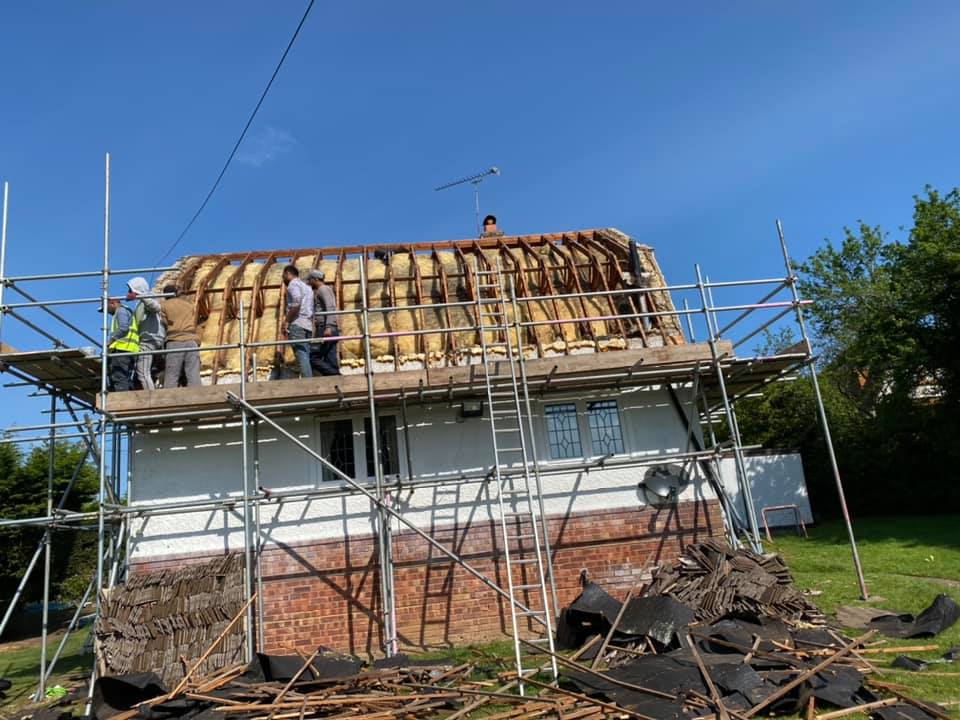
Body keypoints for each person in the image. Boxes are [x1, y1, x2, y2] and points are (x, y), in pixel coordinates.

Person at [126, 277, 165, 390]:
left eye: (130, 290)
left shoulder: (149, 297)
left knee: (143, 372)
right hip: (148, 339)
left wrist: (139, 296)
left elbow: (156, 307)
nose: (128, 293)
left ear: (137, 289)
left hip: (149, 340)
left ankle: (151, 398)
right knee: (145, 371)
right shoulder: (140, 304)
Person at [160, 284, 202, 387]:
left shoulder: (163, 305)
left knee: (172, 374)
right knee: (193, 373)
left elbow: (164, 323)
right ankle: (198, 397)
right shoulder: (188, 305)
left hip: (174, 341)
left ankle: (169, 400)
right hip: (191, 340)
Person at [281, 264, 313, 378]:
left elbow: (296, 303)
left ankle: (308, 385)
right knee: (305, 355)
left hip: (297, 324)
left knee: (301, 356)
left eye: (283, 276)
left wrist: (287, 321)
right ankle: (308, 380)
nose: (283, 279)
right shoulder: (307, 287)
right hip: (307, 325)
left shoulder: (293, 285)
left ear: (288, 273)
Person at [306, 269, 340, 376]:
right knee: (330, 358)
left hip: (325, 328)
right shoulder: (325, 289)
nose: (309, 282)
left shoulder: (323, 289)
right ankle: (335, 382)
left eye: (310, 280)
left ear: (315, 279)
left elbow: (330, 307)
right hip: (330, 328)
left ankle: (335, 375)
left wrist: (328, 326)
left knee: (312, 357)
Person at [105, 297, 138, 391]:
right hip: (128, 349)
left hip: (122, 349)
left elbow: (123, 328)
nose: (107, 312)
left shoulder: (121, 311)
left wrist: (110, 341)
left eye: (106, 308)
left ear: (112, 303)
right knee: (124, 378)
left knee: (119, 376)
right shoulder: (126, 311)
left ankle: (121, 401)